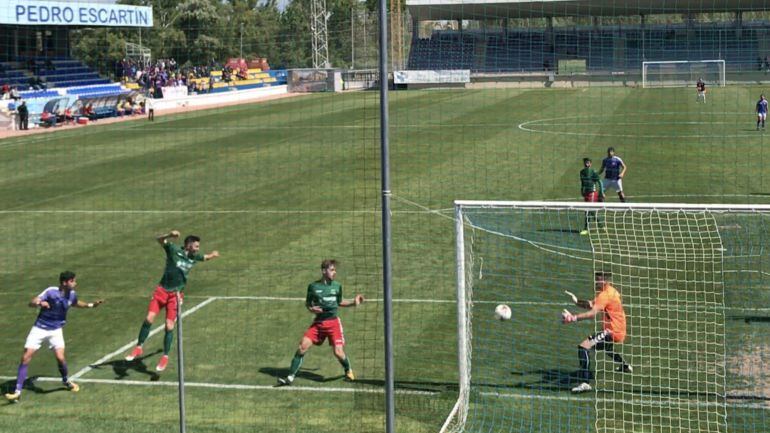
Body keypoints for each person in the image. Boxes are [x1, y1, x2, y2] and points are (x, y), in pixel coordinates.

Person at [124, 231, 219, 371]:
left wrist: (213, 255)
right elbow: (159, 239)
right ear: (188, 245)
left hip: (175, 295)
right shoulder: (173, 250)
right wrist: (169, 235)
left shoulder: (194, 257)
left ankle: (165, 357)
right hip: (161, 291)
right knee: (149, 318)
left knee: (169, 326)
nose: (198, 249)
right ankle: (139, 347)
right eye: (196, 246)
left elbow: (205, 257)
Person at [4, 271, 104, 402]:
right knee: (25, 357)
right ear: (64, 282)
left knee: (60, 358)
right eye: (73, 281)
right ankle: (17, 392)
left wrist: (91, 305)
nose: (75, 283)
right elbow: (32, 302)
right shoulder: (51, 291)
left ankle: (66, 381)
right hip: (39, 329)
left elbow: (75, 303)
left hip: (56, 331)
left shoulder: (72, 294)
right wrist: (40, 303)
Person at [278, 260, 364, 386]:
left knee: (338, 352)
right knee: (302, 346)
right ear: (324, 271)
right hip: (318, 323)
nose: (334, 272)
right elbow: (308, 304)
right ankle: (290, 377)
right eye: (332, 270)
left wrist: (353, 302)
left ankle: (348, 370)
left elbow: (339, 302)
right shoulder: (313, 287)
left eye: (335, 270)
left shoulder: (337, 286)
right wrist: (311, 309)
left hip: (333, 323)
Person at [562, 272, 631, 393]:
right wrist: (577, 301)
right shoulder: (611, 291)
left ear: (605, 281)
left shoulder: (605, 295)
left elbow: (592, 313)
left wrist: (572, 318)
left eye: (598, 281)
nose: (595, 283)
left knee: (584, 346)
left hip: (612, 331)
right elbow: (592, 305)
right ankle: (625, 366)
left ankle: (585, 382)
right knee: (606, 347)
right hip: (619, 330)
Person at [579, 158, 605, 236]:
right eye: (585, 162)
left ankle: (587, 228)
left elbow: (600, 182)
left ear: (590, 164)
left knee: (588, 210)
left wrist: (601, 192)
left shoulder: (593, 172)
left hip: (592, 193)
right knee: (588, 211)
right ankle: (600, 225)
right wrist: (582, 191)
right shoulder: (582, 172)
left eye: (588, 162)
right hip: (586, 194)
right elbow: (582, 183)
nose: (586, 164)